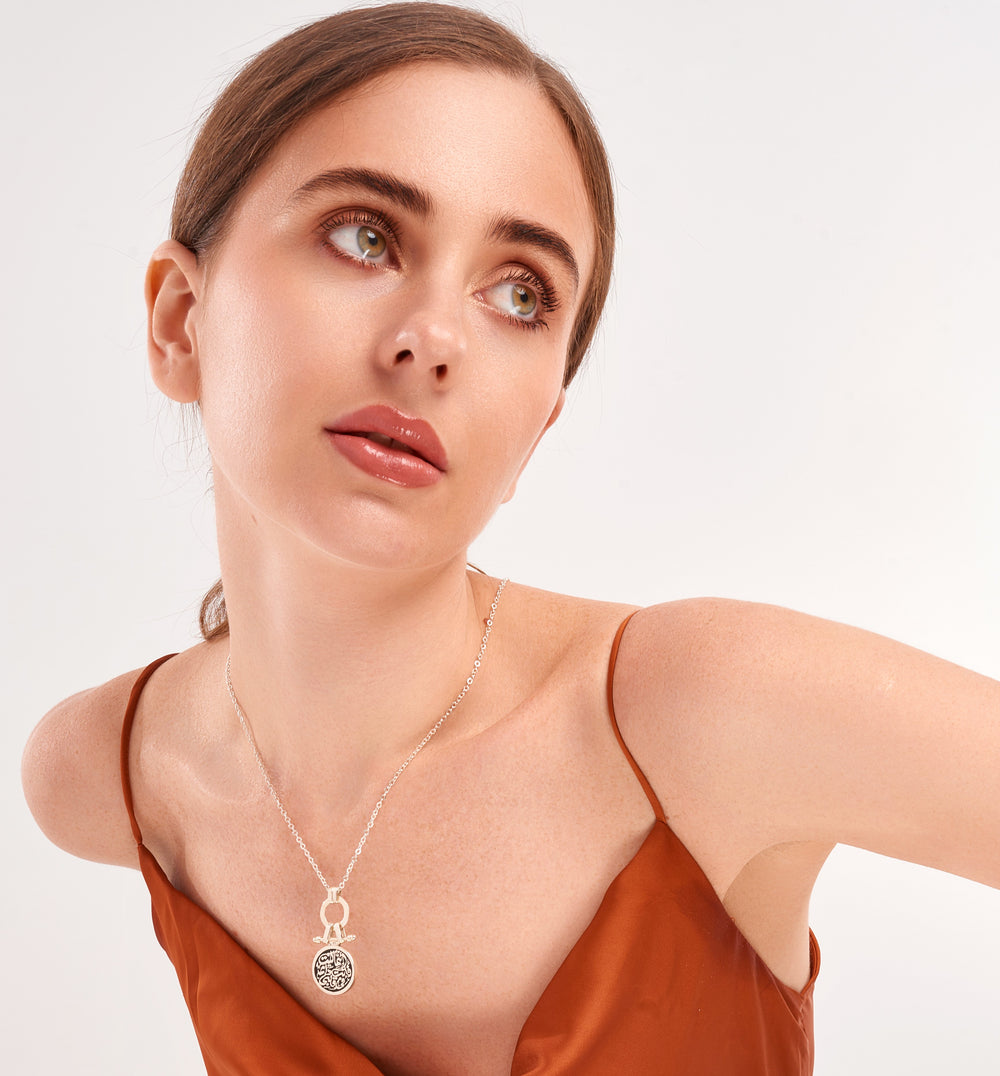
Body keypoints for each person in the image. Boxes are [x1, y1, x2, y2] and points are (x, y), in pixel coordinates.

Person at [19, 3, 999, 1074]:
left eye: (519, 294)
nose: (434, 340)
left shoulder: (703, 707)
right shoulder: (106, 776)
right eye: (365, 236)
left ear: (540, 425)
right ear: (178, 320)